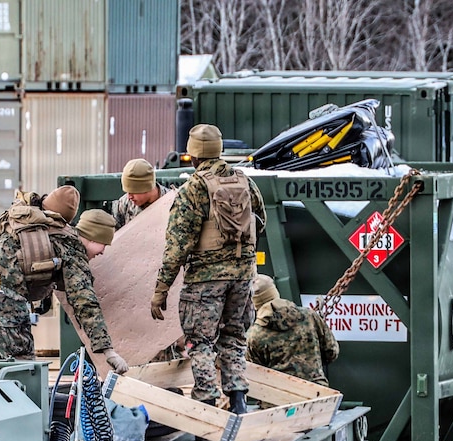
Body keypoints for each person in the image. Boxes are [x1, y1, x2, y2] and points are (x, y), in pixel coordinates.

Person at [150, 124, 265, 414]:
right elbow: (260, 222)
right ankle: (238, 401)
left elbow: (177, 245)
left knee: (200, 342)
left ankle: (206, 404)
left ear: (192, 155)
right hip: (242, 277)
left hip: (205, 280)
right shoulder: (244, 182)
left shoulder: (194, 189)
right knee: (234, 339)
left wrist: (160, 291)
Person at [0, 188, 127, 374]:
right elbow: (85, 302)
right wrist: (107, 350)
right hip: (3, 291)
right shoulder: (70, 245)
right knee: (21, 368)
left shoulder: (24, 220)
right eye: (104, 245)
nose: (102, 252)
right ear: (93, 237)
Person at [245, 274, 339, 386]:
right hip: (316, 392)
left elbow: (255, 376)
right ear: (275, 292)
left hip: (277, 399)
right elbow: (331, 352)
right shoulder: (309, 316)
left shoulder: (253, 335)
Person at [112, 158, 171, 229]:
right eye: (127, 192)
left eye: (133, 192)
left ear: (147, 188)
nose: (129, 197)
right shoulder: (124, 204)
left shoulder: (172, 202)